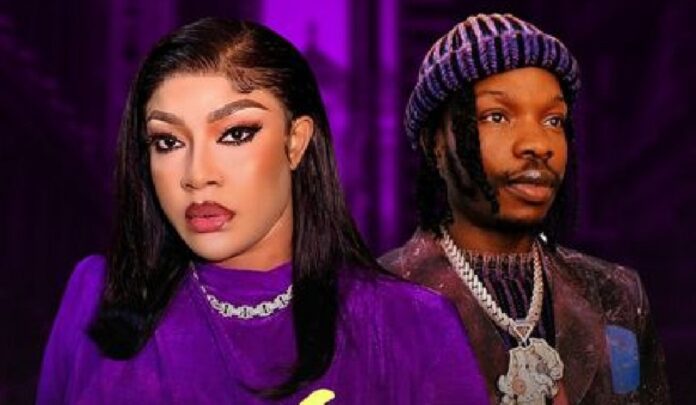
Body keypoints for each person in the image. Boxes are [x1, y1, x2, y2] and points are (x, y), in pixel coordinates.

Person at [37, 18, 488, 404]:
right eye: (168, 141)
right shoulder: (97, 296)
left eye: (235, 134)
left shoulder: (410, 325)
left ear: (296, 141)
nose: (197, 175)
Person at [380, 13, 670, 404]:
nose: (537, 144)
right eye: (497, 116)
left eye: (553, 120)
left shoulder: (616, 296)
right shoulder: (374, 305)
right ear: (436, 144)